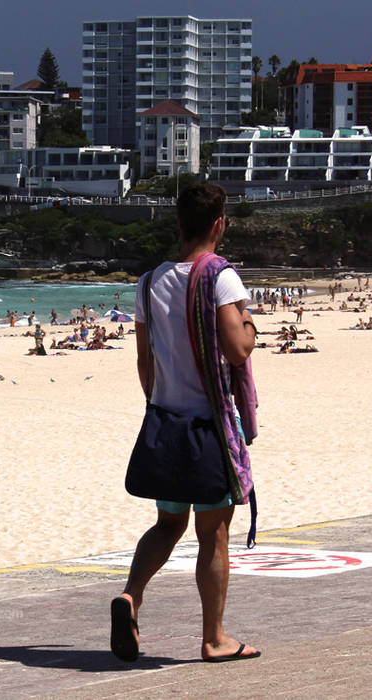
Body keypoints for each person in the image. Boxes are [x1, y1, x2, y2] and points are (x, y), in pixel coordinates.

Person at [112, 182, 260, 664]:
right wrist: (251, 325)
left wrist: (159, 403)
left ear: (178, 222)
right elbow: (237, 349)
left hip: (166, 420)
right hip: (208, 427)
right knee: (213, 531)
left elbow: (143, 360)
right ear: (219, 224)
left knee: (167, 523)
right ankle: (214, 637)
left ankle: (131, 595)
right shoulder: (221, 276)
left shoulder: (149, 281)